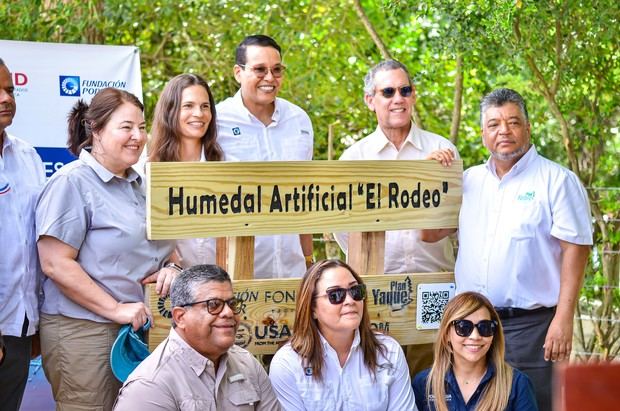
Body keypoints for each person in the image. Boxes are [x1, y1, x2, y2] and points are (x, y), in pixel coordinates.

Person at [423, 88, 592, 410]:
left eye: (513, 122)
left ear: (528, 128)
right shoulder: (468, 180)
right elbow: (429, 233)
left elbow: (576, 249)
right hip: (470, 330)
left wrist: (564, 318)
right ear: (483, 133)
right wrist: (431, 177)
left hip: (532, 328)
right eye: (494, 124)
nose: (504, 131)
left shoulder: (556, 180)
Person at [36, 88, 177, 411]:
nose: (137, 137)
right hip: (86, 333)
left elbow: (165, 248)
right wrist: (115, 308)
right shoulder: (71, 183)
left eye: (142, 127)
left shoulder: (140, 183)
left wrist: (172, 268)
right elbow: (55, 263)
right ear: (96, 130)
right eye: (125, 127)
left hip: (140, 330)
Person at [334, 59, 458, 377]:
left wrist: (428, 176)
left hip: (434, 289)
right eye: (387, 91)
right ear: (370, 100)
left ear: (413, 95)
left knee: (431, 384)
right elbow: (343, 232)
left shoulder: (442, 150)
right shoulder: (354, 159)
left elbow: (454, 223)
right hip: (375, 292)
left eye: (404, 90)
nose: (397, 98)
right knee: (377, 380)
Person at [114, 264, 282, 410]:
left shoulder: (247, 363)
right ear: (180, 317)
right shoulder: (150, 384)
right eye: (213, 305)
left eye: (232, 304)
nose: (228, 312)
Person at [216, 34, 314, 279]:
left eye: (277, 70)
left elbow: (307, 195)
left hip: (293, 271)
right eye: (259, 69)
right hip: (235, 273)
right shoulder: (217, 121)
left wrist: (309, 260)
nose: (270, 78)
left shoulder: (299, 120)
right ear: (238, 73)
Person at [269, 259, 416, 410]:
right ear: (312, 308)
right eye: (336, 294)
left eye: (356, 291)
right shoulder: (287, 363)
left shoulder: (389, 351)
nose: (350, 300)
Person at [0, 57, 45, 411]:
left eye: (10, 89)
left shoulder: (28, 156)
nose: (6, 98)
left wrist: (38, 320)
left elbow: (36, 242)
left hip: (20, 324)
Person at [412, 292, 538, 411]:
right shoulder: (424, 383)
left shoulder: (517, 383)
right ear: (446, 335)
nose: (475, 336)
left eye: (485, 327)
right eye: (463, 327)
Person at [149, 73, 223, 269]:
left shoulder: (225, 167)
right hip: (169, 285)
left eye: (205, 106)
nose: (199, 114)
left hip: (220, 282)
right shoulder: (148, 169)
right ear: (170, 110)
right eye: (188, 106)